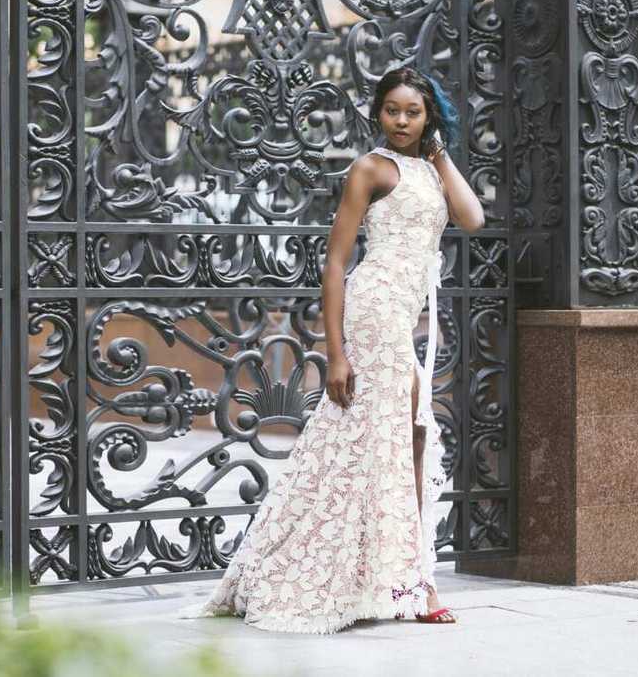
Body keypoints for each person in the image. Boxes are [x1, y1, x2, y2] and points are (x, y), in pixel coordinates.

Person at [177, 66, 485, 634]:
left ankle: (403, 578)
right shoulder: (370, 168)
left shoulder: (430, 169)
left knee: (404, 440)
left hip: (405, 319)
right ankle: (411, 585)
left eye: (412, 111)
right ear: (377, 112)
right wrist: (335, 352)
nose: (400, 120)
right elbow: (337, 262)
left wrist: (440, 152)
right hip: (373, 315)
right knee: (395, 440)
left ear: (428, 115)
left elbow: (472, 217)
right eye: (391, 109)